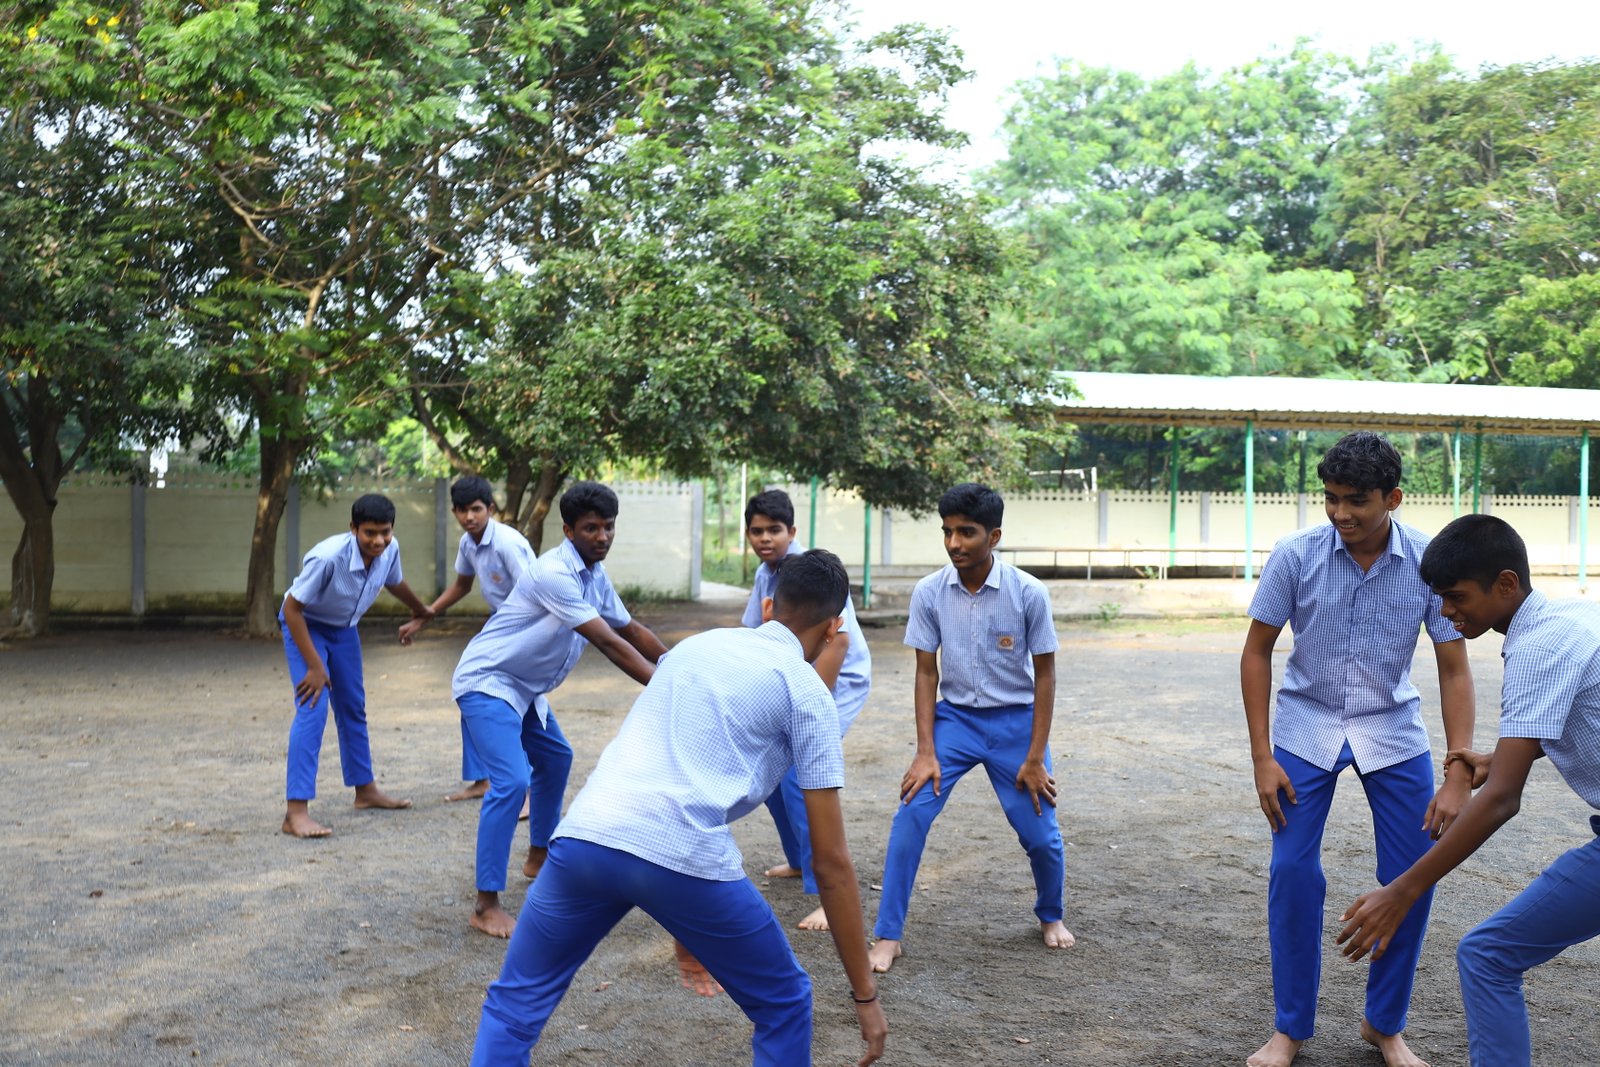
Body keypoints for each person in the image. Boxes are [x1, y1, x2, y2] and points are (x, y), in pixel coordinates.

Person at [470, 549, 887, 1067]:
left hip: (586, 837)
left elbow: (671, 772)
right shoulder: (808, 695)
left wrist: (689, 925)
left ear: (768, 605)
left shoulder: (695, 649)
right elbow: (830, 862)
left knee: (516, 1001)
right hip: (680, 855)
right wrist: (865, 997)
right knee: (783, 1002)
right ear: (833, 629)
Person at [1241, 431, 1475, 1067]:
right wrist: (1263, 756)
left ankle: (1384, 1025)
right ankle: (1289, 1028)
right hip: (1305, 726)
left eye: (1357, 502)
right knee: (1291, 873)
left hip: (1392, 729)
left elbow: (1453, 667)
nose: (1341, 514)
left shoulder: (1428, 562)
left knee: (1412, 876)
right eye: (1331, 499)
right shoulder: (1295, 556)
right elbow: (1257, 649)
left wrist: (1457, 768)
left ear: (1393, 498)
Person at [1338, 514, 1600, 1067]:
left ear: (1506, 584)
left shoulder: (1536, 650)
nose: (1448, 612)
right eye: (1438, 598)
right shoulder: (1573, 615)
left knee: (1486, 954)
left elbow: (1503, 799)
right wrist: (1503, 756)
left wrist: (1402, 890)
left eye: (1456, 598)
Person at [867, 482, 1072, 974]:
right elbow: (925, 671)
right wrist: (925, 751)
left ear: (994, 536)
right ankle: (887, 935)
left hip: (1016, 724)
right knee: (910, 816)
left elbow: (1045, 676)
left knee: (1041, 836)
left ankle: (1051, 915)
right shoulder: (930, 592)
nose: (955, 543)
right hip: (954, 721)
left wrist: (1034, 757)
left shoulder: (1028, 593)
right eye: (947, 532)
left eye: (967, 532)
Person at [450, 481, 666, 938]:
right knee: (511, 781)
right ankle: (485, 905)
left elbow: (630, 628)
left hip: (524, 686)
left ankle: (540, 857)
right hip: (489, 680)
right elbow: (607, 641)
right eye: (591, 528)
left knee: (555, 757)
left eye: (609, 527)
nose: (603, 536)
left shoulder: (593, 574)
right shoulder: (555, 573)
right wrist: (664, 687)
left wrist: (679, 669)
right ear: (568, 530)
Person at [742, 488, 873, 931]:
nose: (765, 539)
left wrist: (808, 713)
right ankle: (801, 861)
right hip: (793, 678)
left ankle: (823, 891)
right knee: (773, 775)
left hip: (835, 681)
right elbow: (752, 630)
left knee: (802, 773)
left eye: (774, 530)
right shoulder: (767, 573)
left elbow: (838, 640)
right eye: (757, 531)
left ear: (791, 531)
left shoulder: (812, 572)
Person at [279, 493, 435, 839]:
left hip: (344, 630)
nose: (378, 541)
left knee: (353, 707)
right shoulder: (328, 558)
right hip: (307, 625)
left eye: (385, 532)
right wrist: (315, 666)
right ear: (353, 529)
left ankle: (365, 791)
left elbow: (393, 580)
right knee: (313, 708)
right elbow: (292, 610)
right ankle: (296, 812)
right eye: (369, 533)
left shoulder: (389, 550)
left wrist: (420, 609)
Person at [399, 475, 537, 805]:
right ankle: (481, 779)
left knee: (521, 701)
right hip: (499, 623)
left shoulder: (507, 542)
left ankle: (528, 788)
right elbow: (462, 585)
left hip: (526, 624)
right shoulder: (468, 543)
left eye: (476, 510)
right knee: (470, 688)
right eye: (462, 511)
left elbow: (534, 591)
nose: (469, 517)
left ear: (490, 509)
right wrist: (426, 614)